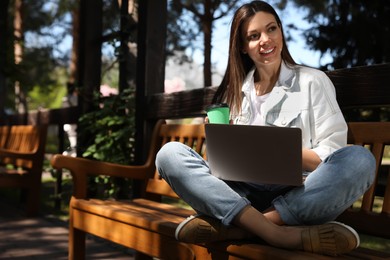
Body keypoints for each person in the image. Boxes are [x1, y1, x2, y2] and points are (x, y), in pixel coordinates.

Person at [155, 1, 375, 256]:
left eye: (271, 29)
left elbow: (333, 155)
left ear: (281, 31)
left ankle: (243, 227)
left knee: (360, 160)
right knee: (169, 154)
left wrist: (276, 151)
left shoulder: (313, 81)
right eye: (254, 36)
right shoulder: (234, 92)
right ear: (242, 46)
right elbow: (220, 170)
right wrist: (221, 142)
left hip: (297, 192)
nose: (266, 40)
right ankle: (277, 234)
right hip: (241, 192)